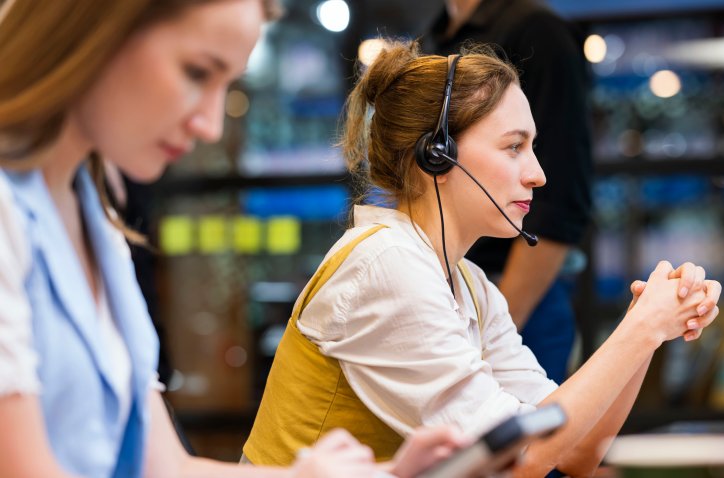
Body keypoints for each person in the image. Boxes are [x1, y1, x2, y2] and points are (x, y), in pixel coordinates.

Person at [0, 1, 466, 477]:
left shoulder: (92, 212)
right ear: (94, 32)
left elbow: (165, 466)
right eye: (197, 72)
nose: (210, 125)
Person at [244, 41, 722, 477]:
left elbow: (574, 450)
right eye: (514, 147)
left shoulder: (467, 282)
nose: (537, 174)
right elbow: (519, 463)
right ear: (437, 154)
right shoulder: (386, 266)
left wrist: (647, 328)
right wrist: (642, 330)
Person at [421, 0, 594, 384]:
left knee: (538, 437)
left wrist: (499, 326)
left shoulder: (537, 31)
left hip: (519, 291)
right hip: (450, 285)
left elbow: (561, 201)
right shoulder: (437, 37)